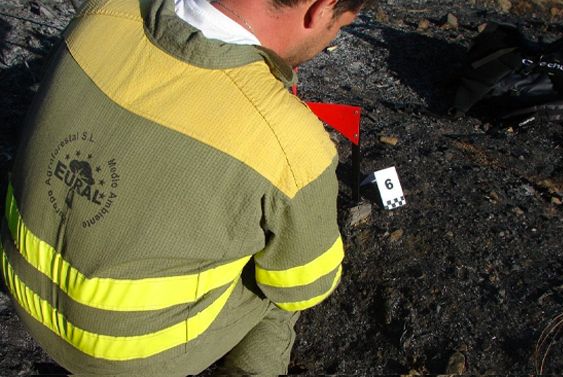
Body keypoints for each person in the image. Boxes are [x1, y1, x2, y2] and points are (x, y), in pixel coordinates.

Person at [0, 0, 367, 374]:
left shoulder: (104, 11)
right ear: (322, 9)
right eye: (339, 27)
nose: (330, 39)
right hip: (123, 354)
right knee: (280, 282)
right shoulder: (291, 139)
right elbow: (307, 286)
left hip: (23, 288)